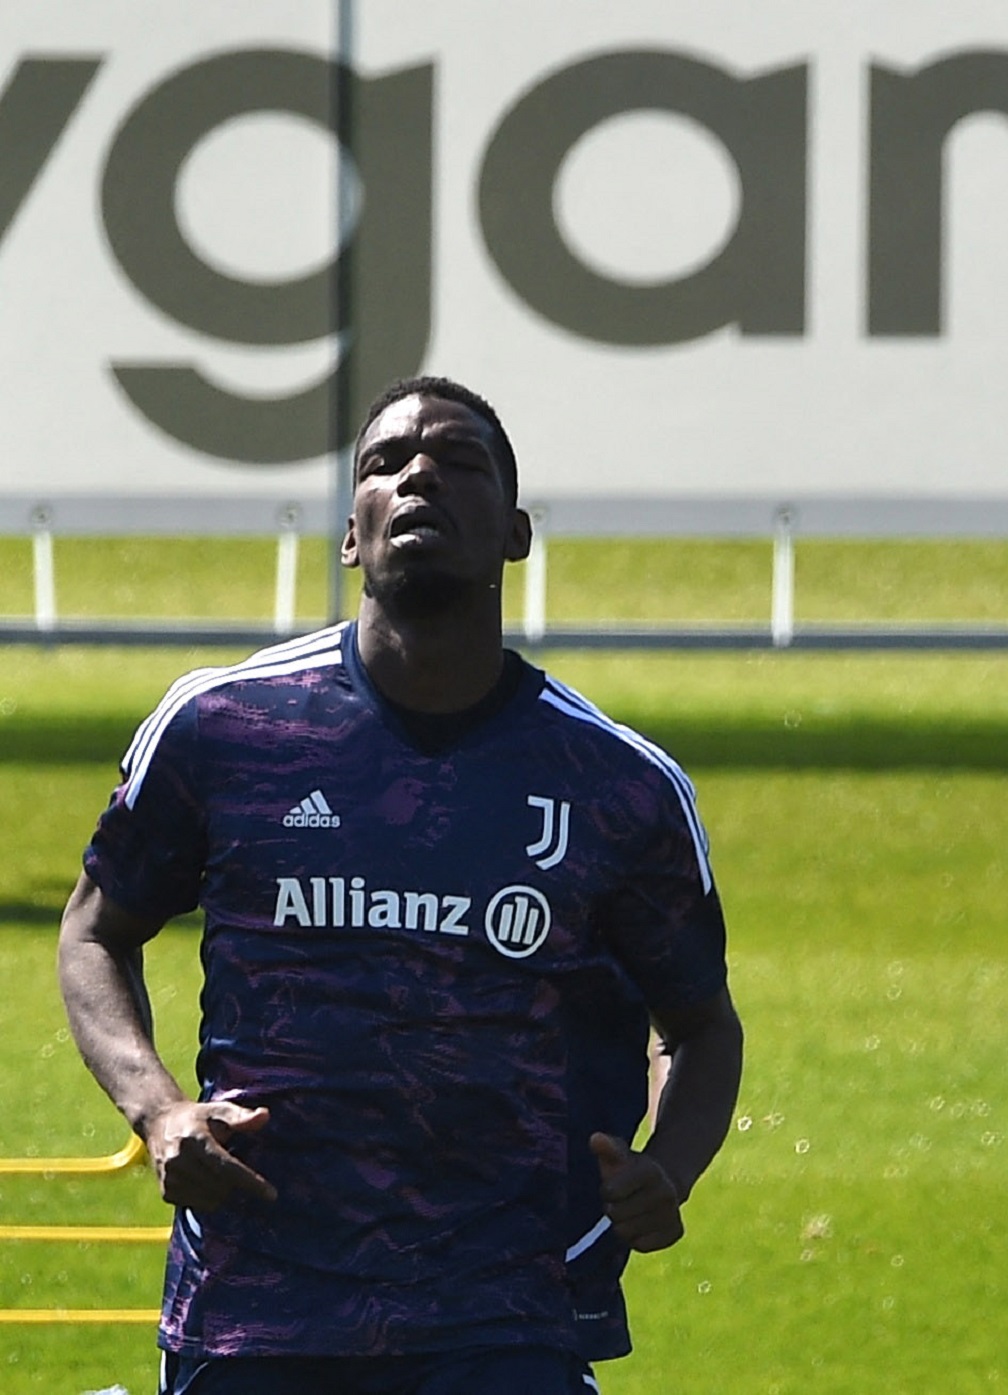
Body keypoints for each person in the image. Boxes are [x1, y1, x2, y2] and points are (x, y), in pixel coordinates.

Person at [57, 376, 744, 1394]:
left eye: (458, 460)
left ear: (515, 534)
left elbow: (698, 1025)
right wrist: (158, 1111)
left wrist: (668, 1170)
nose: (419, 473)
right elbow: (93, 934)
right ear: (350, 534)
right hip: (257, 1307)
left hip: (508, 1312)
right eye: (385, 463)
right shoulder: (224, 728)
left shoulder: (618, 786)